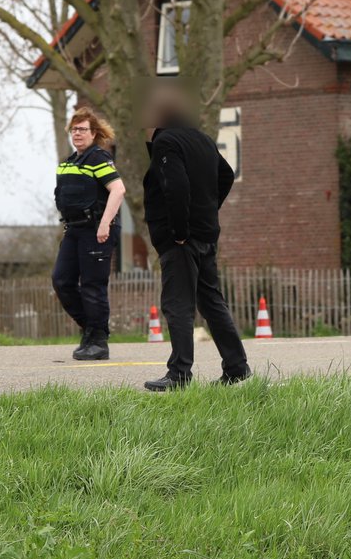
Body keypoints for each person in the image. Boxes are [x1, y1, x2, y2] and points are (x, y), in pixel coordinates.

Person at [140, 90, 251, 391]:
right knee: (212, 302)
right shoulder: (202, 139)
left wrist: (178, 231)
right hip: (206, 234)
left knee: (178, 304)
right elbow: (225, 175)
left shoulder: (167, 142)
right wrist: (208, 210)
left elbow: (176, 187)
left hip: (182, 239)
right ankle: (236, 366)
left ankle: (179, 374)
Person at [52, 108, 125, 360]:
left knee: (93, 286)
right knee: (61, 280)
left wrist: (105, 223)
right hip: (74, 229)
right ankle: (90, 330)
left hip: (97, 230)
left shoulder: (99, 158)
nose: (77, 134)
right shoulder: (70, 162)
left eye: (82, 129)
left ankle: (99, 342)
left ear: (93, 133)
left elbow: (118, 190)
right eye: (74, 129)